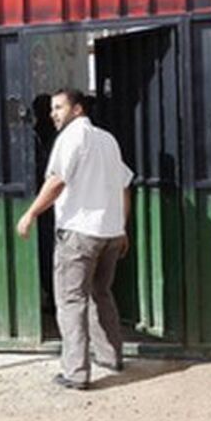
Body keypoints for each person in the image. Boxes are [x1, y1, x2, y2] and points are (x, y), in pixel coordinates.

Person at [17, 88, 133, 390]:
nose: (54, 113)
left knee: (71, 302)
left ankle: (76, 372)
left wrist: (30, 213)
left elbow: (57, 181)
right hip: (109, 233)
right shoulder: (108, 140)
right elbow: (124, 187)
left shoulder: (71, 137)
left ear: (78, 109)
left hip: (79, 233)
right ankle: (111, 357)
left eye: (59, 107)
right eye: (52, 108)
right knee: (101, 294)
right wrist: (121, 227)